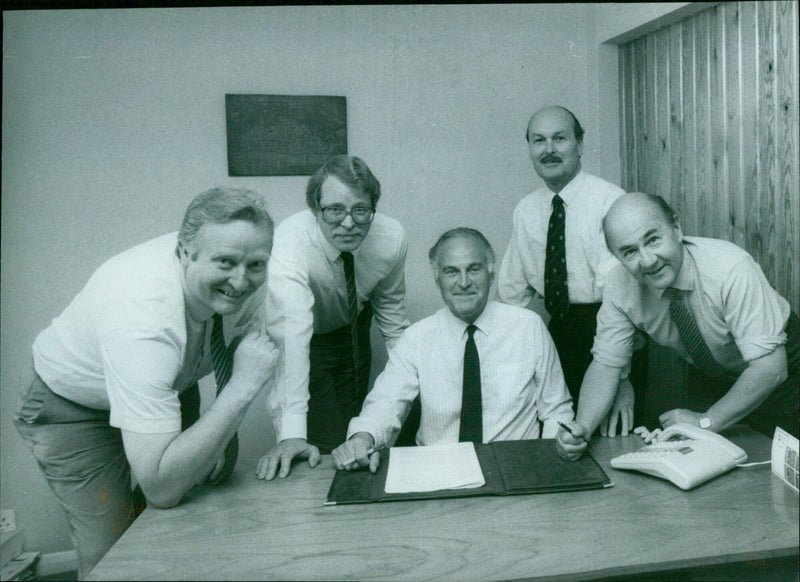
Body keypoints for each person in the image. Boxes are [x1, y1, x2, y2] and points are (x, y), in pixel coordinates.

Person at [14, 187, 279, 579]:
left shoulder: (249, 276)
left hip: (167, 380)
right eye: (225, 262)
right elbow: (160, 487)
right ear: (185, 252)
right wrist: (242, 387)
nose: (241, 281)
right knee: (116, 550)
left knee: (188, 515)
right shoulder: (143, 318)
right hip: (72, 406)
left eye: (256, 264)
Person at [557, 192, 799, 460]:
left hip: (782, 365)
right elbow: (605, 364)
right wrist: (582, 428)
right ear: (617, 257)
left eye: (652, 239)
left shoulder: (730, 267)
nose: (648, 260)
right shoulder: (618, 285)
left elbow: (771, 369)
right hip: (711, 372)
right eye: (629, 252)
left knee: (780, 467)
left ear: (677, 228)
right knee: (706, 466)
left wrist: (706, 421)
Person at [332, 228, 574, 473]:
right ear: (437, 278)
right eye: (451, 271)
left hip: (516, 468)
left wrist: (550, 461)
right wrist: (362, 439)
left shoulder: (528, 326)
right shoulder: (416, 338)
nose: (464, 282)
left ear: (491, 273)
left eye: (474, 269)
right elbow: (385, 403)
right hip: (439, 473)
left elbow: (556, 409)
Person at [256, 155, 410, 480]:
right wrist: (292, 432)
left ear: (373, 208)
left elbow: (393, 320)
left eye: (360, 210)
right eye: (335, 210)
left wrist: (413, 379)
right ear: (316, 209)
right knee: (323, 447)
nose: (349, 223)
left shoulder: (391, 237)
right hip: (308, 339)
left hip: (355, 329)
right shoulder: (290, 242)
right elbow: (294, 336)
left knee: (358, 440)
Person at [498, 105, 637, 433]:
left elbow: (625, 297)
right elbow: (511, 295)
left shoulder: (610, 202)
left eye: (559, 138)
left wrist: (622, 377)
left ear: (580, 144)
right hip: (558, 334)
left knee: (613, 436)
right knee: (564, 435)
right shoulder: (526, 211)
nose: (548, 150)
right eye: (538, 141)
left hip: (612, 329)